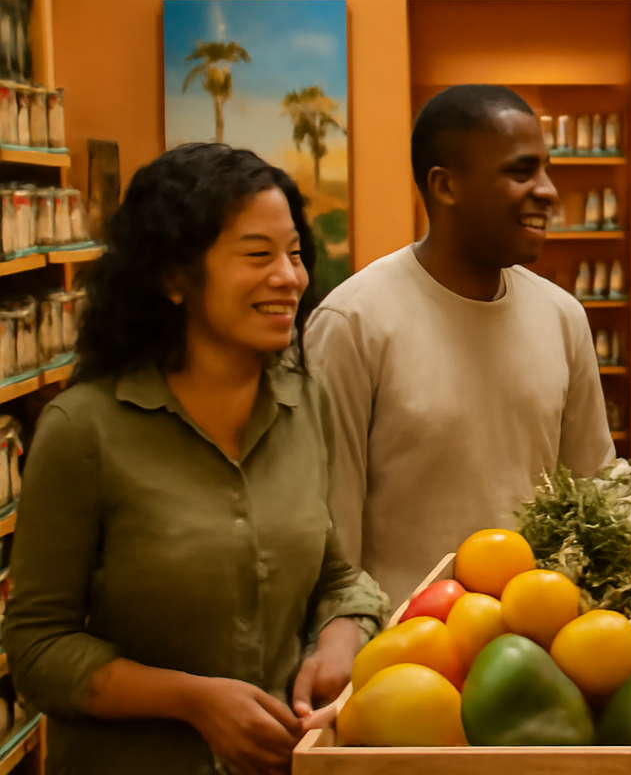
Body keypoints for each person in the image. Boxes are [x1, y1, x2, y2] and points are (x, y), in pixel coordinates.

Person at [4, 144, 388, 775]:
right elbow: (37, 647)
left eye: (294, 253)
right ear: (173, 277)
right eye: (258, 255)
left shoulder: (305, 399)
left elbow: (336, 577)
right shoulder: (84, 430)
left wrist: (340, 643)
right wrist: (192, 701)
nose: (289, 278)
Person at [305, 84, 614, 605]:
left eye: (545, 170)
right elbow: (330, 536)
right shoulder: (353, 322)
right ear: (445, 186)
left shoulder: (563, 317)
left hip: (537, 637)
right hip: (403, 644)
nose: (547, 191)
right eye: (521, 172)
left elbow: (594, 485)